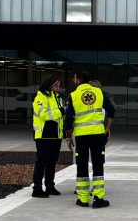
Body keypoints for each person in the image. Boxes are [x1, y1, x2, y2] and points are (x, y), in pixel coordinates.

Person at [64, 70, 115, 208]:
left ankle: (83, 199)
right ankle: (98, 199)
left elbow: (68, 120)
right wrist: (107, 128)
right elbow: (112, 110)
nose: (73, 80)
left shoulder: (73, 95)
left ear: (77, 79)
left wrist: (68, 137)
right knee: (98, 165)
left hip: (81, 136)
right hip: (98, 135)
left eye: (74, 78)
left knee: (82, 165)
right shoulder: (98, 92)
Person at [31, 75, 64, 197]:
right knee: (42, 162)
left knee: (52, 162)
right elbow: (44, 115)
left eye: (59, 85)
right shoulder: (40, 97)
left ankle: (50, 186)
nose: (57, 88)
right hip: (44, 136)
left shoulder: (58, 98)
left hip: (56, 135)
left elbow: (60, 118)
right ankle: (37, 189)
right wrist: (61, 111)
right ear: (49, 85)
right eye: (55, 85)